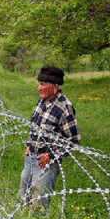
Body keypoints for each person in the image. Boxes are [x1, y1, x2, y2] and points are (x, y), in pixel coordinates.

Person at [21, 66, 81, 211]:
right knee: (24, 195)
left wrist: (52, 155)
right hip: (31, 157)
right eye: (39, 83)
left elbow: (73, 140)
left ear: (54, 88)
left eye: (42, 84)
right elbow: (35, 126)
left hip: (46, 163)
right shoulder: (42, 102)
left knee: (38, 202)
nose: (38, 88)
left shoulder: (64, 107)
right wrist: (29, 145)